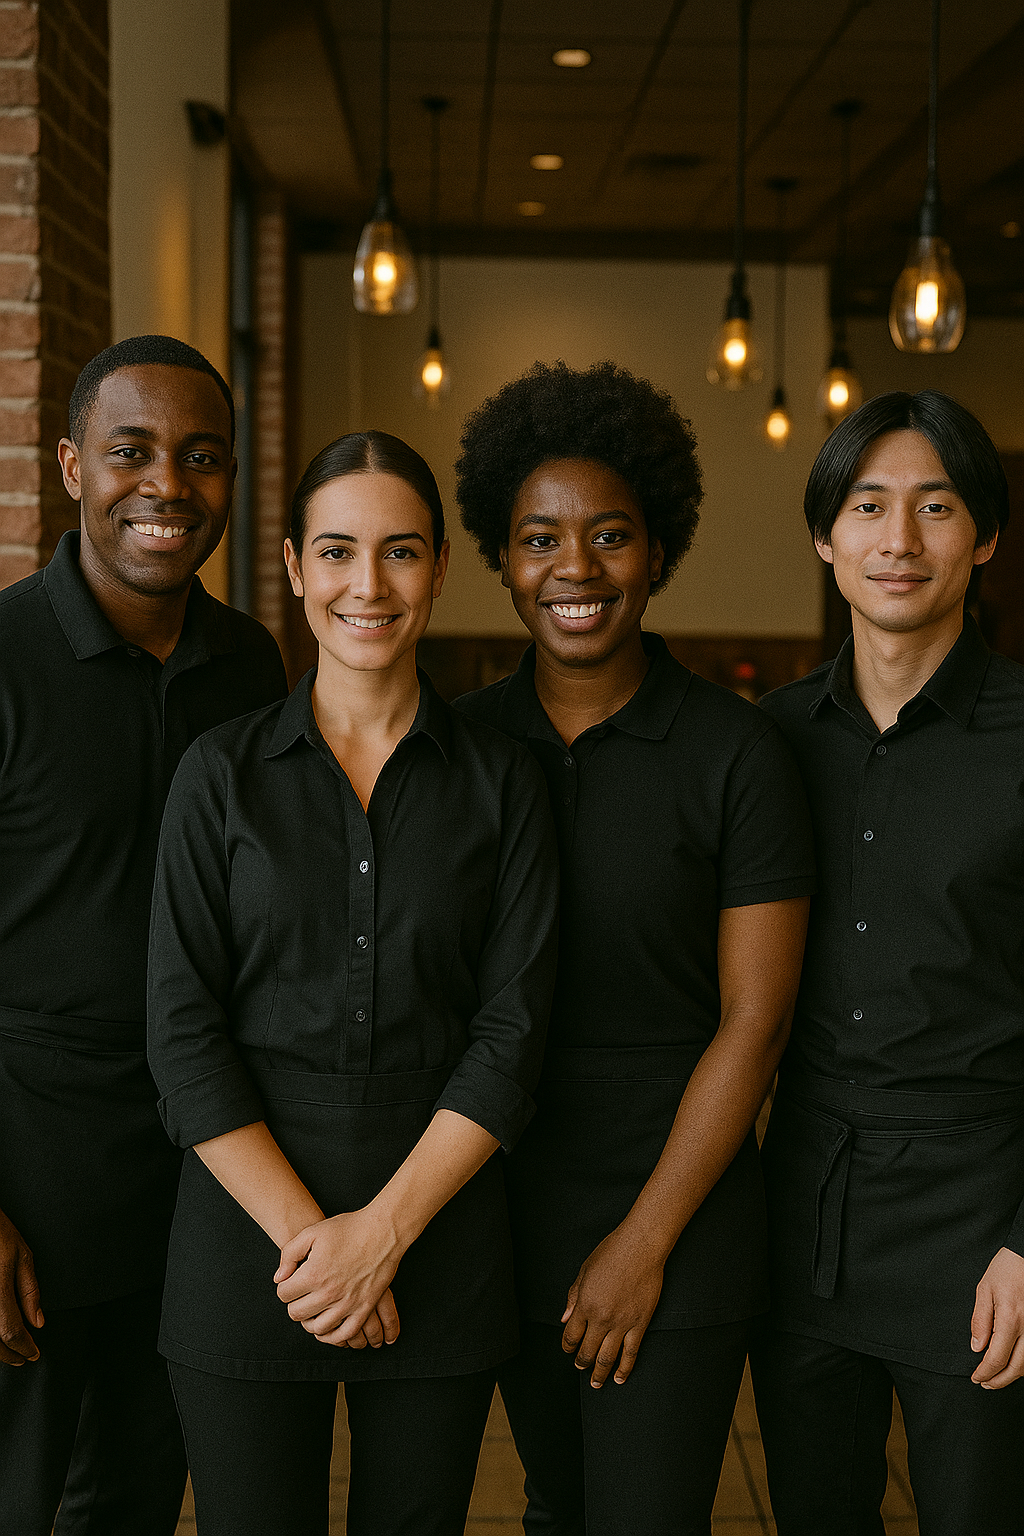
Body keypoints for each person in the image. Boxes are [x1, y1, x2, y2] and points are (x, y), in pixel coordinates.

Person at [146, 430, 559, 1536]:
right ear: (289, 567)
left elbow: (512, 1029)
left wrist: (381, 1235)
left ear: (438, 569)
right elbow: (183, 1035)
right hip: (245, 1252)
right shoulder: (217, 776)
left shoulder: (502, 782)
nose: (366, 586)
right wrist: (316, 1250)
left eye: (400, 552)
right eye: (336, 552)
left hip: (442, 1245)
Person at [453, 359, 815, 1536]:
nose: (575, 569)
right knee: (556, 1508)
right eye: (539, 539)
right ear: (501, 561)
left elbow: (753, 1023)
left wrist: (644, 1239)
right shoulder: (455, 748)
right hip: (498, 1208)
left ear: (658, 552)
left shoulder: (734, 752)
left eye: (609, 536)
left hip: (684, 1203)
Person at [0, 335, 287, 1535]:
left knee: (133, 1502)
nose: (167, 485)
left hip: (195, 1185)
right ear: (73, 467)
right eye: (131, 452)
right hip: (28, 1172)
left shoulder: (253, 665)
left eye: (201, 457)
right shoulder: (3, 654)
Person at [750, 390, 1024, 1536]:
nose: (897, 541)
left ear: (985, 536)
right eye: (866, 507)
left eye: (934, 506)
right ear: (824, 537)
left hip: (982, 1212)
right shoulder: (768, 740)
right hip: (805, 1204)